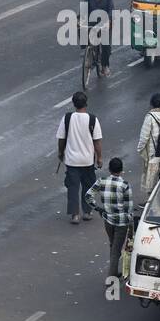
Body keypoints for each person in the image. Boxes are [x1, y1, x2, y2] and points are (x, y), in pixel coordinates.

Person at [56, 91, 103, 224]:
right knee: (88, 187)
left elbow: (61, 138)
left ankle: (75, 215)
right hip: (88, 161)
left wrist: (60, 153)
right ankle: (87, 212)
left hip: (72, 161)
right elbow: (97, 141)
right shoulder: (92, 119)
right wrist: (99, 158)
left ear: (73, 103)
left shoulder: (67, 118)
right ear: (86, 103)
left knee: (73, 187)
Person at [86, 158, 133, 278]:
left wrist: (97, 208)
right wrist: (131, 227)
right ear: (122, 170)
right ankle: (112, 276)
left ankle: (113, 270)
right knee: (116, 249)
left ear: (109, 169)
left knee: (113, 245)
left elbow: (88, 196)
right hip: (122, 223)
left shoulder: (101, 181)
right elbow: (128, 209)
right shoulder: (125, 185)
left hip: (108, 220)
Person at [136, 93, 160, 195]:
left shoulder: (150, 117)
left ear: (152, 104)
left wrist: (140, 150)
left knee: (151, 177)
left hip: (153, 153)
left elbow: (144, 137)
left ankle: (151, 200)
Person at [82, 0, 115, 76]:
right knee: (82, 30)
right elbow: (83, 10)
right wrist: (80, 20)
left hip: (105, 24)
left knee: (105, 46)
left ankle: (105, 66)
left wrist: (108, 21)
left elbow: (111, 11)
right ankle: (87, 50)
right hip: (92, 23)